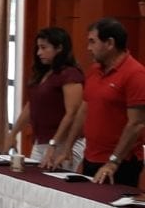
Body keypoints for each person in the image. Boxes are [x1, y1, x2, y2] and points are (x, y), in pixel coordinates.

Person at [52, 17, 145, 186]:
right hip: (91, 157)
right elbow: (84, 110)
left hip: (120, 163)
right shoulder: (94, 70)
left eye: (92, 42)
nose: (88, 48)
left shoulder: (135, 74)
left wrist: (113, 162)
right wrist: (68, 148)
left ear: (109, 43)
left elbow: (136, 124)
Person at [3, 27, 84, 168]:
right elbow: (32, 105)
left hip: (63, 142)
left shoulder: (70, 74)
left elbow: (72, 113)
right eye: (38, 48)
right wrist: (13, 133)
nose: (39, 53)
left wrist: (53, 144)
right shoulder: (44, 73)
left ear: (59, 48)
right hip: (41, 141)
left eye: (44, 47)